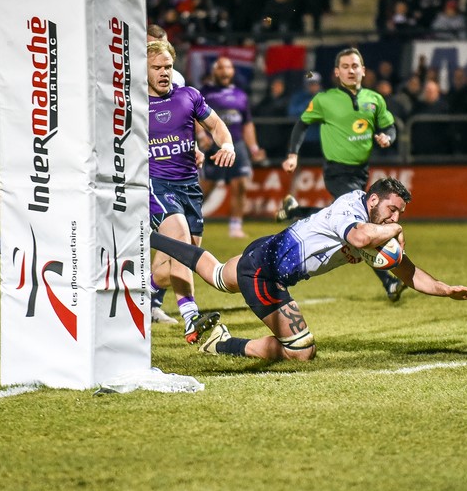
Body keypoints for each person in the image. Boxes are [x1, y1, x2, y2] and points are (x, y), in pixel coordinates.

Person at [152, 177, 467, 362]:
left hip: (264, 251)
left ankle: (149, 235)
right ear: (374, 200)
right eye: (393, 210)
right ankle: (223, 344)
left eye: (400, 214)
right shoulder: (352, 209)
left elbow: (408, 272)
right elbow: (360, 236)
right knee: (302, 351)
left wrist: (446, 290)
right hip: (266, 274)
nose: (396, 219)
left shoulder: (373, 225)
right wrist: (394, 231)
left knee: (218, 274)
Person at [277, 47, 405, 303]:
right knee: (363, 225)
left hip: (361, 171)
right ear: (337, 72)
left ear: (363, 70)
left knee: (342, 215)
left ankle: (296, 212)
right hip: (337, 170)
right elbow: (302, 124)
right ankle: (389, 281)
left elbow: (390, 127)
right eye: (345, 66)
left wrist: (387, 138)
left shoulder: (374, 99)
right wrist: (293, 154)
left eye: (355, 66)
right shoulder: (325, 100)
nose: (350, 70)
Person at [147, 39, 235, 341]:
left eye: (168, 67)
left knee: (174, 265)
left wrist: (227, 144)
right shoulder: (132, 105)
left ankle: (143, 293)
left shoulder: (189, 96)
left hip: (189, 187)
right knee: (182, 240)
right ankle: (191, 317)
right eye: (156, 67)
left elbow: (218, 126)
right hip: (157, 186)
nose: (163, 73)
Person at [198, 56, 266, 239]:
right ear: (214, 71)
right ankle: (190, 218)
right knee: (206, 186)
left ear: (233, 71)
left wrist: (253, 148)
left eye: (227, 67)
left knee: (241, 184)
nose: (224, 71)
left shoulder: (241, 95)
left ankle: (236, 226)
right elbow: (195, 117)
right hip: (213, 146)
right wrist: (201, 136)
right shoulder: (204, 93)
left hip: (236, 145)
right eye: (220, 67)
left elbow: (247, 124)